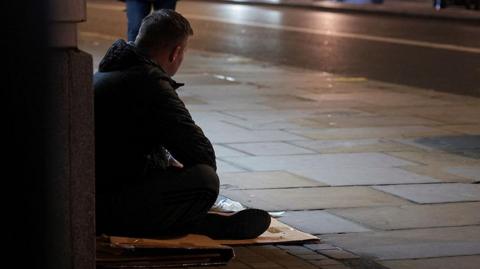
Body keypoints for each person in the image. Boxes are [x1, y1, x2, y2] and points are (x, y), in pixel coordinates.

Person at [94, 10, 271, 239]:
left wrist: (165, 159)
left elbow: (126, 140)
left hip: (94, 194)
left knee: (176, 174)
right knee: (204, 180)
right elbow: (201, 154)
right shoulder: (150, 82)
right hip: (114, 204)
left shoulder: (107, 73)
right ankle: (191, 225)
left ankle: (195, 223)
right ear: (176, 52)